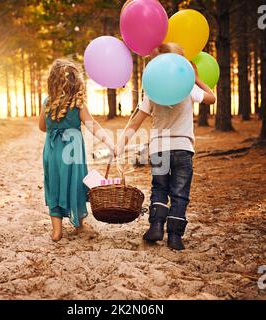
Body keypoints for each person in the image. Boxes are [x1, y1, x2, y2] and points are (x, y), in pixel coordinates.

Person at [116, 43, 216, 251]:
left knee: (159, 188)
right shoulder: (188, 86)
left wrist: (121, 143)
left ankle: (156, 226)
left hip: (159, 149)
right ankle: (174, 236)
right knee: (180, 193)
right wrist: (196, 78)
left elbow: (135, 122)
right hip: (183, 148)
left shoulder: (153, 90)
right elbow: (211, 99)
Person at [39, 59, 114, 242]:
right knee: (76, 185)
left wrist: (55, 126)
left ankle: (56, 232)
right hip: (73, 155)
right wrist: (109, 142)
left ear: (53, 81)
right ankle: (79, 224)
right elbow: (93, 126)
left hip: (52, 152)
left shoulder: (47, 102)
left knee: (53, 185)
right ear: (76, 82)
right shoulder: (78, 103)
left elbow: (42, 127)